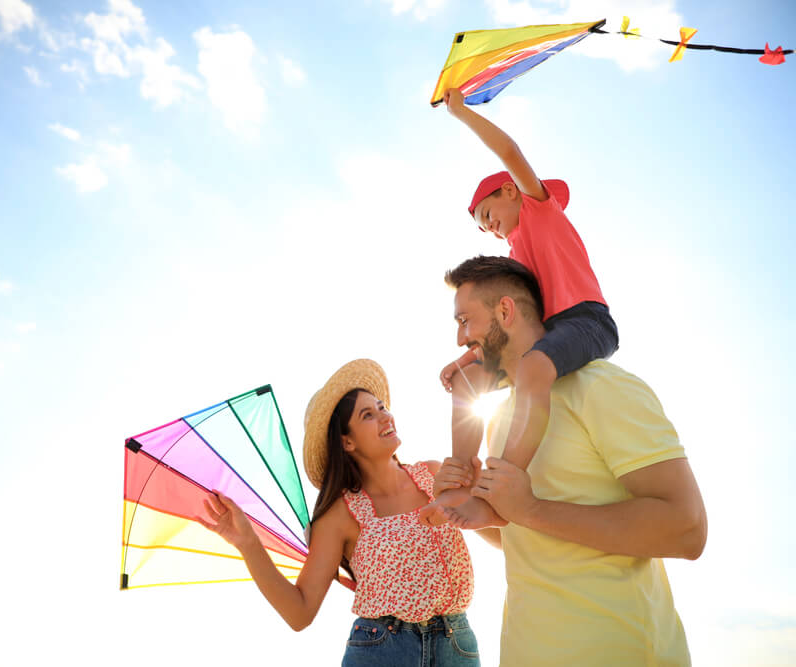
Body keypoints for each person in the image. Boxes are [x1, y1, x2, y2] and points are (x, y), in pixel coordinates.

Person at [432, 255, 706, 666]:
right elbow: (530, 538)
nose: (459, 340)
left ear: (505, 311)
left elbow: (687, 529)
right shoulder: (504, 420)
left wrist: (532, 509)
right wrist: (479, 514)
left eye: (464, 320)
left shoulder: (602, 387)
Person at [199, 359, 481, 666]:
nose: (384, 417)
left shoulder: (433, 475)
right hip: (383, 650)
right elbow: (300, 611)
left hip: (457, 644)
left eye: (382, 407)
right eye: (368, 415)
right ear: (347, 441)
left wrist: (478, 492)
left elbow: (490, 524)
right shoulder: (340, 515)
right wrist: (248, 544)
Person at [432, 88, 619, 523]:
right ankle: (461, 475)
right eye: (482, 227)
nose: (489, 228)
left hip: (586, 321)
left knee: (535, 366)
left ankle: (501, 491)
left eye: (487, 214)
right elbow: (506, 324)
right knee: (466, 381)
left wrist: (460, 113)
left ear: (509, 191)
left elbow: (509, 150)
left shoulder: (539, 208)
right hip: (544, 334)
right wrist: (467, 357)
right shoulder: (514, 260)